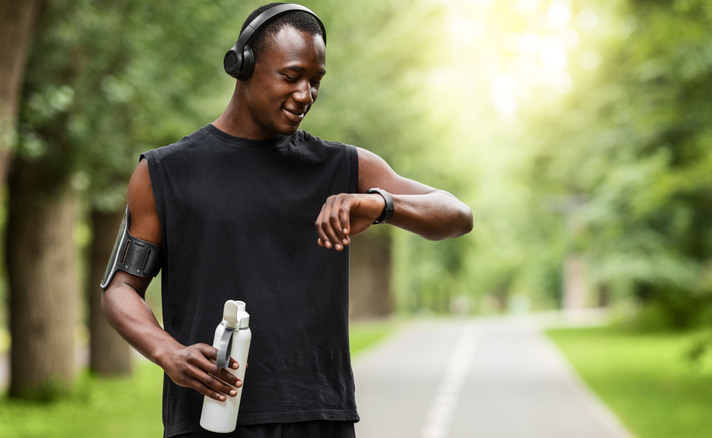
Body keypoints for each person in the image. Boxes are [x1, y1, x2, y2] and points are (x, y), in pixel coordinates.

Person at [101, 3, 473, 437]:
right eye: (291, 76)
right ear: (242, 65)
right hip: (209, 419)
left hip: (320, 418)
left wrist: (382, 204)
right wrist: (168, 353)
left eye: (315, 82)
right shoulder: (165, 173)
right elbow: (121, 289)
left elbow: (456, 214)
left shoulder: (343, 166)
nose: (305, 95)